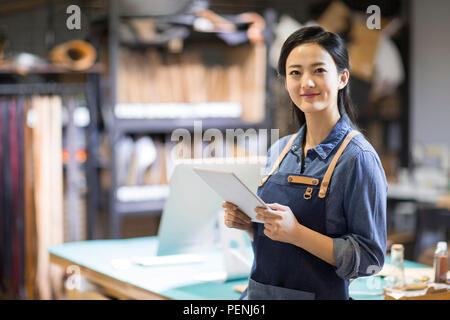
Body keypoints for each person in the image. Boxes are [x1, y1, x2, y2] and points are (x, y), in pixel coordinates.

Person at [222, 26, 387, 300]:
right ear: (286, 81)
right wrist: (253, 227)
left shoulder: (357, 159)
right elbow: (281, 248)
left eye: (319, 71)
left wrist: (297, 233)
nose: (306, 83)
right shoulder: (279, 151)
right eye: (295, 72)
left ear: (343, 78)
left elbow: (370, 259)